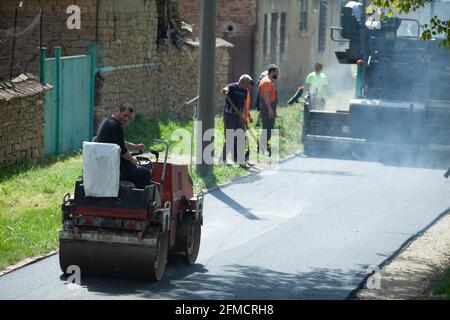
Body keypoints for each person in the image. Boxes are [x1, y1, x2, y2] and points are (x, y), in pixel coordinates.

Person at [96, 103, 151, 189]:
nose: (126, 119)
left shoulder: (107, 122)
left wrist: (135, 146)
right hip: (116, 167)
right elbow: (122, 150)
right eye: (125, 115)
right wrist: (132, 160)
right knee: (145, 173)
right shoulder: (115, 126)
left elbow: (118, 141)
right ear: (118, 111)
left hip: (107, 162)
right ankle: (137, 200)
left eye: (128, 117)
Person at [220, 74, 253, 166]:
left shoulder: (245, 91)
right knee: (230, 138)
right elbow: (225, 89)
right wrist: (225, 91)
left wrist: (242, 116)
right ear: (242, 81)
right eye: (247, 84)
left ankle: (240, 160)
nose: (247, 86)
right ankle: (222, 160)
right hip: (229, 115)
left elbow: (243, 104)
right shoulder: (232, 87)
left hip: (238, 116)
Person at [258, 64, 279, 156]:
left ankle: (262, 148)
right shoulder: (267, 82)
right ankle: (261, 149)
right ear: (273, 72)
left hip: (268, 108)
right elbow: (266, 97)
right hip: (267, 109)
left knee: (267, 129)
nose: (278, 74)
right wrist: (270, 110)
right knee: (268, 129)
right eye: (277, 72)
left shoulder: (267, 81)